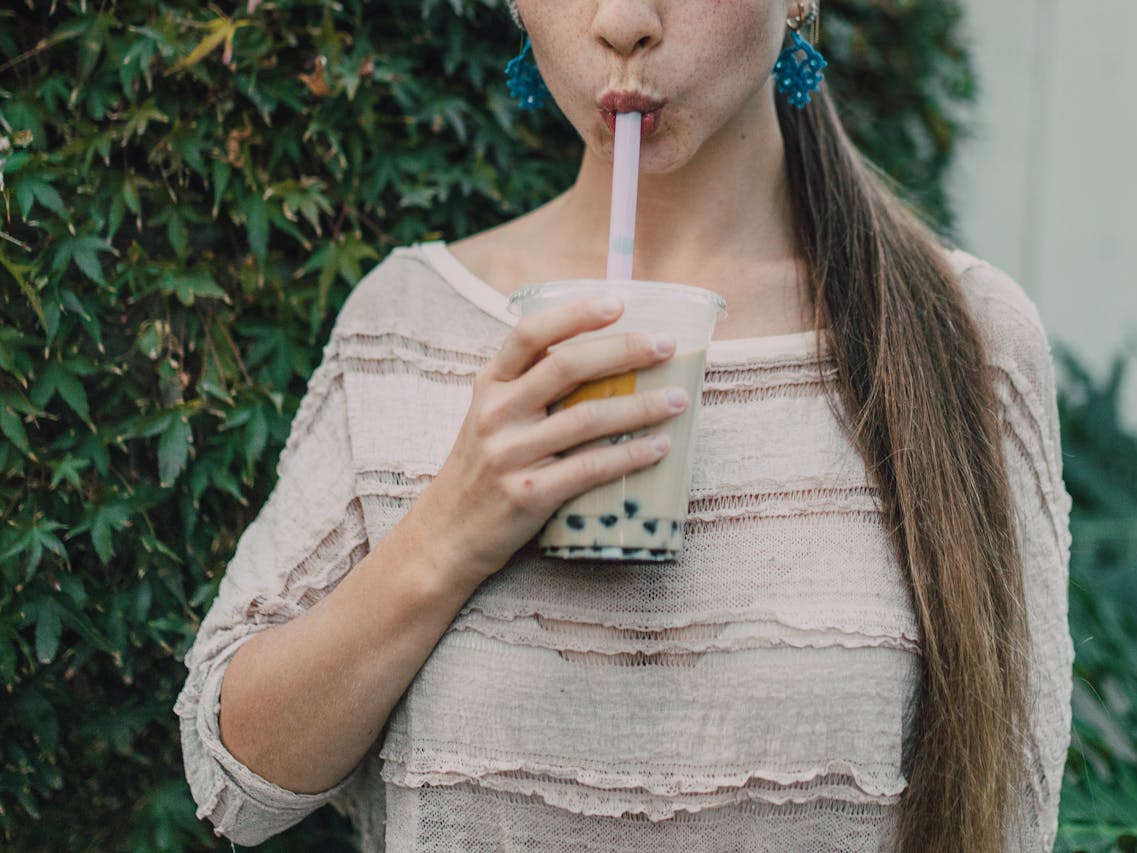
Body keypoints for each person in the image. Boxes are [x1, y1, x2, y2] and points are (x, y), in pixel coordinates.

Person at [176, 1, 1074, 851]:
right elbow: (233, 779)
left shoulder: (965, 341)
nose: (622, 22)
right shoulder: (410, 325)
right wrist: (448, 534)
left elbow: (1008, 818)